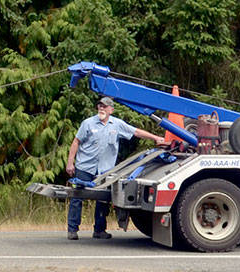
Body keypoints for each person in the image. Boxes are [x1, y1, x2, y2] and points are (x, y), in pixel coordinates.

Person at [64, 97, 165, 240]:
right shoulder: (87, 123)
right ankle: (72, 230)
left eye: (105, 107)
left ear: (111, 110)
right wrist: (70, 163)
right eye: (99, 106)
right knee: (77, 198)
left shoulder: (117, 124)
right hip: (85, 167)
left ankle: (99, 230)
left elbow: (136, 132)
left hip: (105, 170)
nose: (101, 109)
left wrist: (155, 138)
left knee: (103, 200)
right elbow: (76, 142)